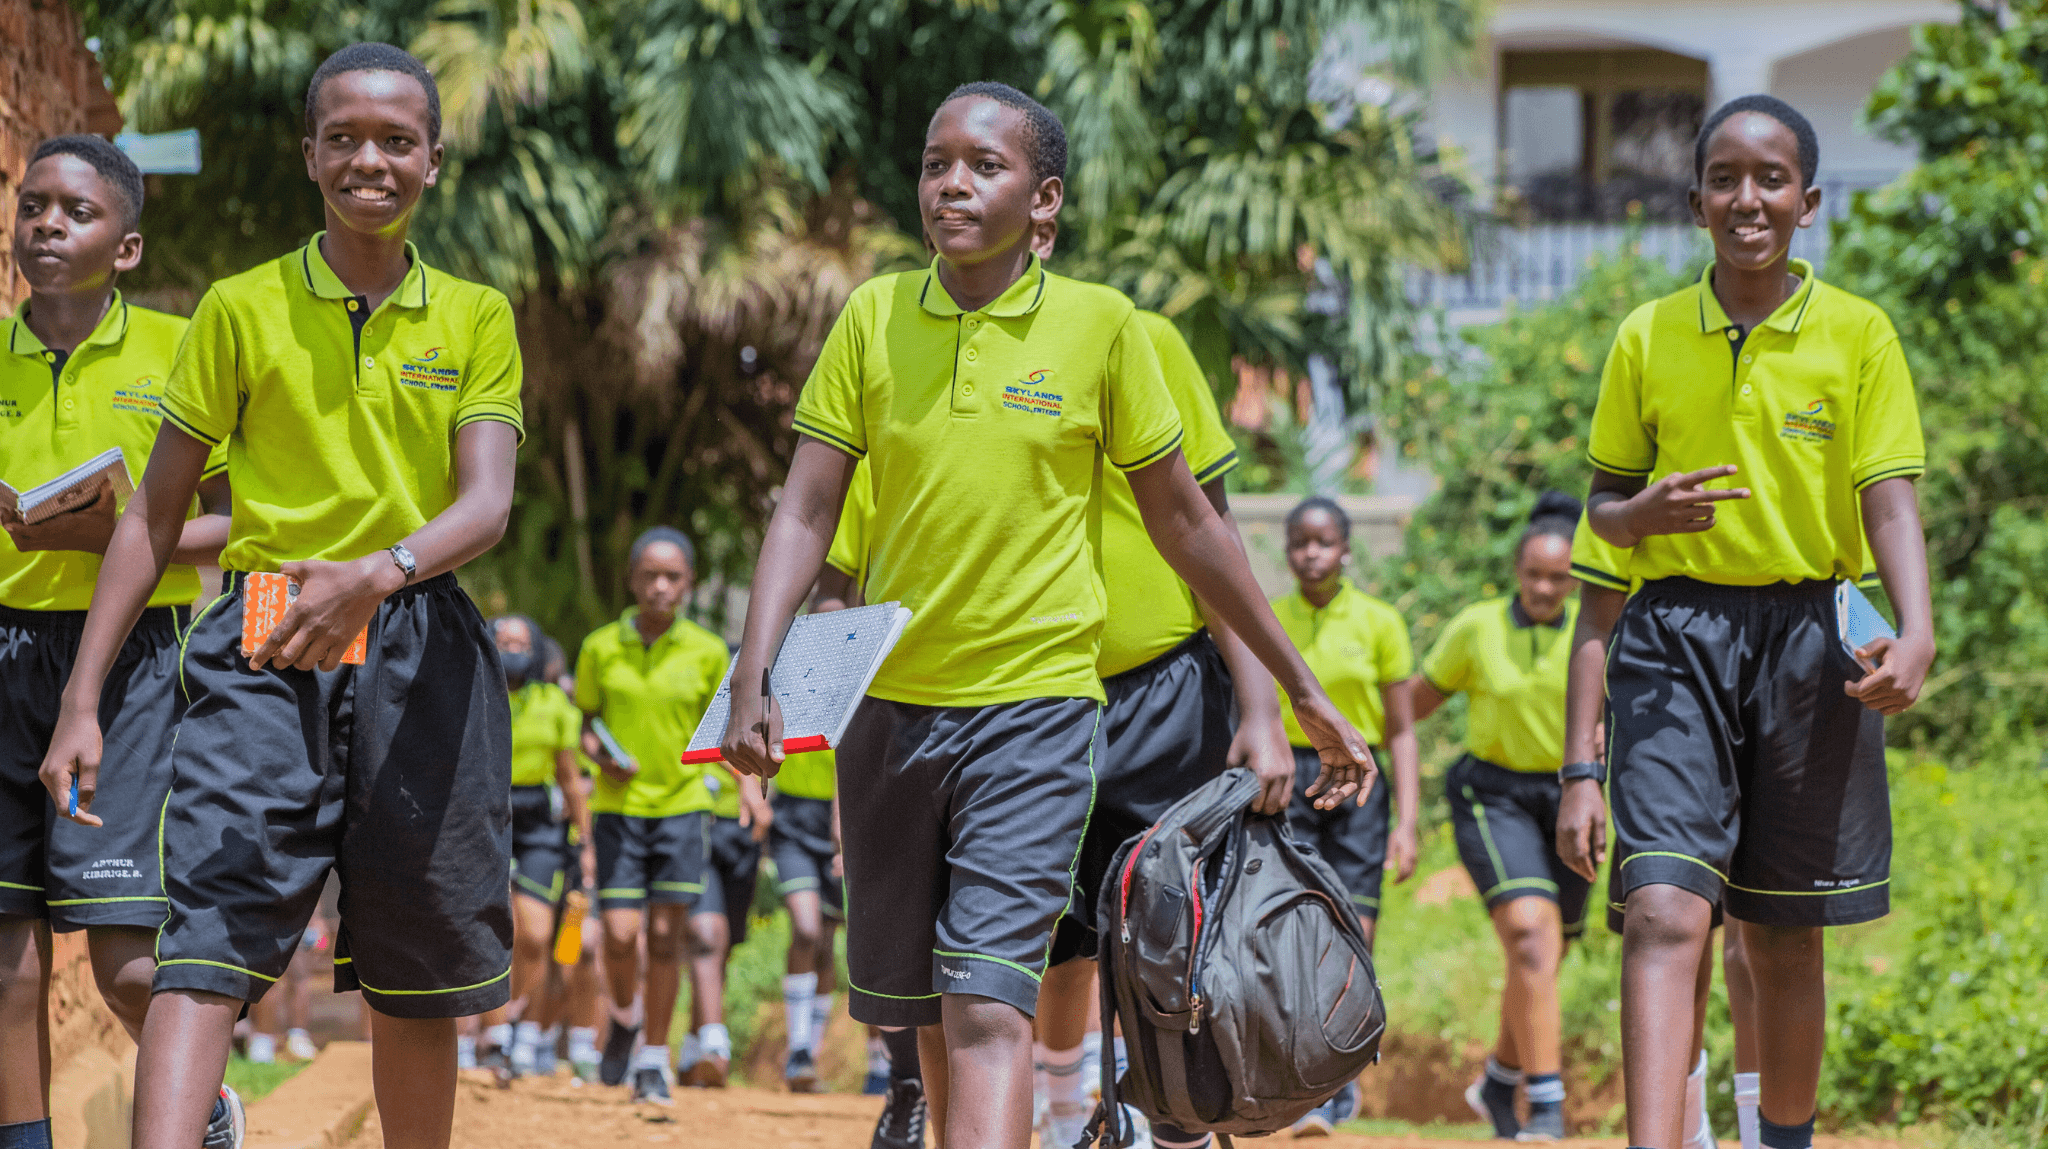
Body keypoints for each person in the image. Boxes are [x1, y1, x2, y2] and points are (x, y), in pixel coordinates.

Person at [717, 82, 1375, 1149]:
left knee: (988, 1000)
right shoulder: (872, 317)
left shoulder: (1101, 328)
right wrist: (756, 674)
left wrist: (1294, 688)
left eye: (984, 165)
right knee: (926, 1008)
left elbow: (1189, 523)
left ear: (1044, 201)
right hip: (887, 716)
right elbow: (804, 508)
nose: (952, 183)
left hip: (1033, 715)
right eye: (936, 164)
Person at [39, 41, 525, 1149]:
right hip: (268, 629)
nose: (370, 160)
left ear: (433, 162)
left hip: (421, 636)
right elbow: (152, 520)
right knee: (206, 937)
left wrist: (375, 574)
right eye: (344, 138)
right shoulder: (239, 309)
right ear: (309, 155)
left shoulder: (474, 317)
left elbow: (484, 503)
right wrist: (84, 699)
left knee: (413, 967)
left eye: (396, 141)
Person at [1565, 95, 1933, 1149]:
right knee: (1665, 911)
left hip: (1810, 643)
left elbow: (1888, 497)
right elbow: (1600, 510)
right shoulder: (1644, 337)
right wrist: (1641, 515)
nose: (1745, 198)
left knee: (1781, 941)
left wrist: (1915, 627)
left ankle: (1781, 1139)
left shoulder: (1857, 335)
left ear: (1807, 202)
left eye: (1769, 179)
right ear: (1694, 202)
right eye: (1723, 178)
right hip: (1673, 636)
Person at [1012, 218, 1295, 1149]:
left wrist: (1261, 705)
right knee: (1054, 936)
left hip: (1165, 686)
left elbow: (1214, 526)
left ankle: (1166, 1115)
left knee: (1168, 924)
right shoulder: (974, 366)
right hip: (1025, 698)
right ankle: (1063, 1117)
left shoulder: (1145, 336)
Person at [0, 133, 236, 1149]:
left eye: (78, 211)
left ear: (127, 248)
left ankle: (206, 1105)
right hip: (5, 649)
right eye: (32, 206)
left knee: (126, 963)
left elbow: (244, 517)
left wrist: (124, 533)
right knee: (6, 954)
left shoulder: (182, 349)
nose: (48, 224)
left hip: (138, 662)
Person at [1407, 492, 1587, 1141]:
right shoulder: (1476, 627)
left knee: (1546, 951)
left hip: (1573, 795)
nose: (1544, 587)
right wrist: (1345, 742)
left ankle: (1500, 1079)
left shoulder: (1595, 628)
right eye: (1534, 574)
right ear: (1516, 571)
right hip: (1494, 794)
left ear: (1576, 577)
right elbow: (1413, 703)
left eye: (1559, 576)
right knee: (1534, 935)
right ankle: (1545, 1107)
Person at [1268, 495, 1417, 1135]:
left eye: (1324, 542)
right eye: (1300, 542)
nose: (1311, 553)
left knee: (1356, 925)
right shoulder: (1268, 621)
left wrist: (1407, 821)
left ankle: (1340, 1074)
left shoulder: (1382, 623)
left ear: (1346, 549)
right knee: (1298, 927)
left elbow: (1404, 731)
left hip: (1360, 780)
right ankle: (1305, 1073)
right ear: (1286, 548)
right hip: (1289, 781)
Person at [574, 525, 729, 1104]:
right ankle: (625, 1016)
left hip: (684, 807)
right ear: (632, 579)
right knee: (618, 936)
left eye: (672, 577)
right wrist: (600, 758)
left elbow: (722, 725)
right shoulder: (598, 647)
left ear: (688, 585)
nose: (660, 586)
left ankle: (654, 1060)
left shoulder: (710, 651)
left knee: (666, 936)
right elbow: (587, 722)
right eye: (649, 575)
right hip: (618, 811)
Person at [492, 614, 592, 1079]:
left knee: (536, 934)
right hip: (483, 819)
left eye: (521, 642)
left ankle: (526, 1031)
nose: (512, 648)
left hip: (538, 825)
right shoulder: (472, 693)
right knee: (486, 932)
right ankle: (490, 1036)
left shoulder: (554, 704)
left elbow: (571, 781)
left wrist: (585, 842)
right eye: (503, 640)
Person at [677, 766, 769, 1088]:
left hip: (747, 826)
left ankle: (693, 1045)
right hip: (694, 817)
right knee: (584, 945)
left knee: (722, 946)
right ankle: (713, 1045)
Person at [770, 745, 843, 1094]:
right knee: (806, 929)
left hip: (840, 821)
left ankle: (809, 1056)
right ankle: (797, 1048)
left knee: (827, 946)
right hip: (791, 818)